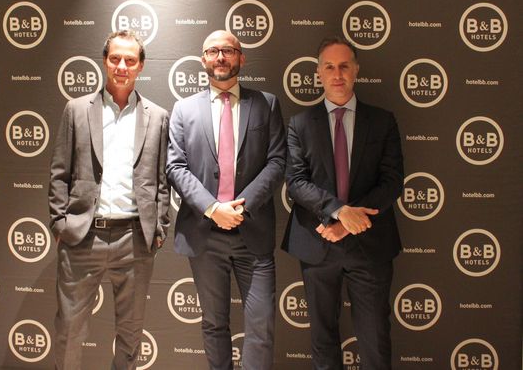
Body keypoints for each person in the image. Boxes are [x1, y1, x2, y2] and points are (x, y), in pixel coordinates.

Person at [48, 30, 170, 369]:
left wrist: (159, 227)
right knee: (69, 329)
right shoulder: (76, 110)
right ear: (104, 61)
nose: (121, 66)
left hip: (135, 239)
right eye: (115, 58)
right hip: (83, 237)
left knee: (131, 334)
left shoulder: (158, 116)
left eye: (130, 60)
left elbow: (161, 180)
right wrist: (60, 224)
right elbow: (59, 172)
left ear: (141, 66)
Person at [282, 36, 404, 370]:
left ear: (356, 70)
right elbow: (296, 182)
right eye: (329, 67)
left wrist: (348, 224)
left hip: (371, 244)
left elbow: (392, 181)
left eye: (344, 66)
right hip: (317, 242)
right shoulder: (299, 124)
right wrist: (339, 212)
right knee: (322, 337)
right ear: (318, 73)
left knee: (375, 337)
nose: (337, 74)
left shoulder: (382, 121)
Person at [166, 30, 286, 370]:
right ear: (203, 59)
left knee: (261, 325)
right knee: (214, 323)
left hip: (253, 233)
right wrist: (213, 209)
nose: (220, 57)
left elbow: (277, 161)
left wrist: (240, 209)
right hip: (204, 234)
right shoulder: (184, 109)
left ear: (241, 58)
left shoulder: (266, 104)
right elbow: (175, 167)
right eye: (213, 51)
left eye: (228, 51)